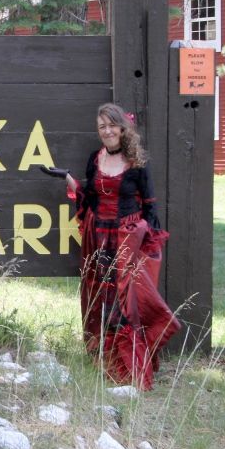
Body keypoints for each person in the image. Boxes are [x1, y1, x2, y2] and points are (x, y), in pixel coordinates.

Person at [41, 103, 180, 390]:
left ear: (122, 127)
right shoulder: (95, 159)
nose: (106, 131)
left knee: (126, 304)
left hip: (127, 241)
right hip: (98, 239)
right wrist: (67, 177)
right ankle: (105, 363)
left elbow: (151, 208)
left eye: (111, 125)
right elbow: (90, 196)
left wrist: (147, 247)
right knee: (101, 301)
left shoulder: (137, 164)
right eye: (101, 126)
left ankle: (130, 371)